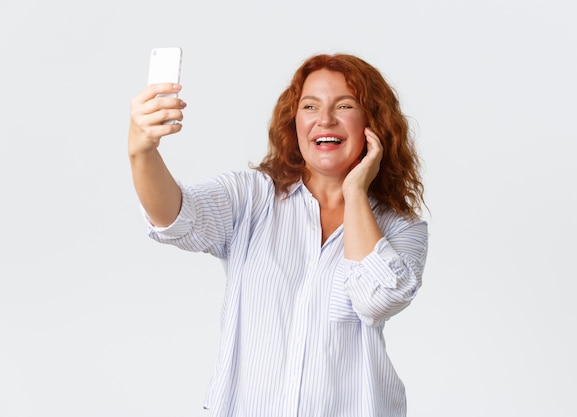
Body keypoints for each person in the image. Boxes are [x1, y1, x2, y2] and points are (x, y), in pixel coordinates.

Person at [128, 53, 428, 417]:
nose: (325, 119)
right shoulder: (252, 197)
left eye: (345, 105)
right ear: (295, 121)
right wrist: (141, 152)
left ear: (373, 122)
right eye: (310, 106)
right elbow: (175, 217)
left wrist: (354, 193)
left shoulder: (401, 225)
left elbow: (378, 300)